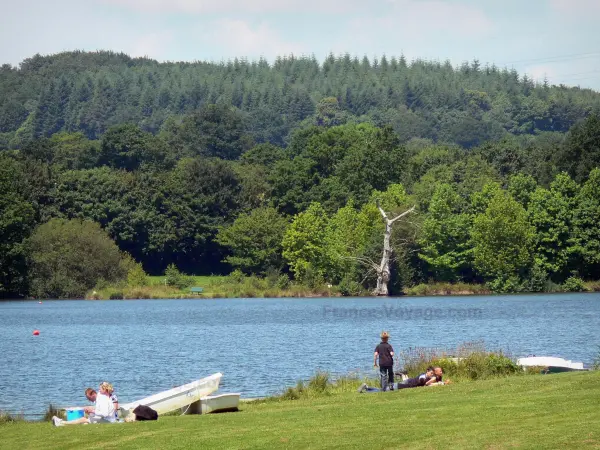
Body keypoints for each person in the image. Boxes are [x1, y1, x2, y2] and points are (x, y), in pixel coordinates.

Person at [52, 382, 117, 426]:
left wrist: (92, 411)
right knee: (86, 420)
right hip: (108, 419)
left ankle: (61, 422)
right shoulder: (102, 397)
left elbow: (105, 414)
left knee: (84, 419)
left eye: (100, 389)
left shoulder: (103, 399)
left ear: (104, 390)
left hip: (109, 421)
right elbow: (102, 412)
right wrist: (91, 412)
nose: (99, 391)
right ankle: (62, 423)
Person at [358, 367, 436, 393]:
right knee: (382, 391)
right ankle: (367, 389)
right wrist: (431, 380)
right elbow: (422, 382)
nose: (431, 375)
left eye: (433, 374)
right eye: (431, 373)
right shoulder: (422, 377)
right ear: (427, 371)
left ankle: (367, 388)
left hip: (400, 385)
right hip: (398, 386)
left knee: (382, 390)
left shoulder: (424, 376)